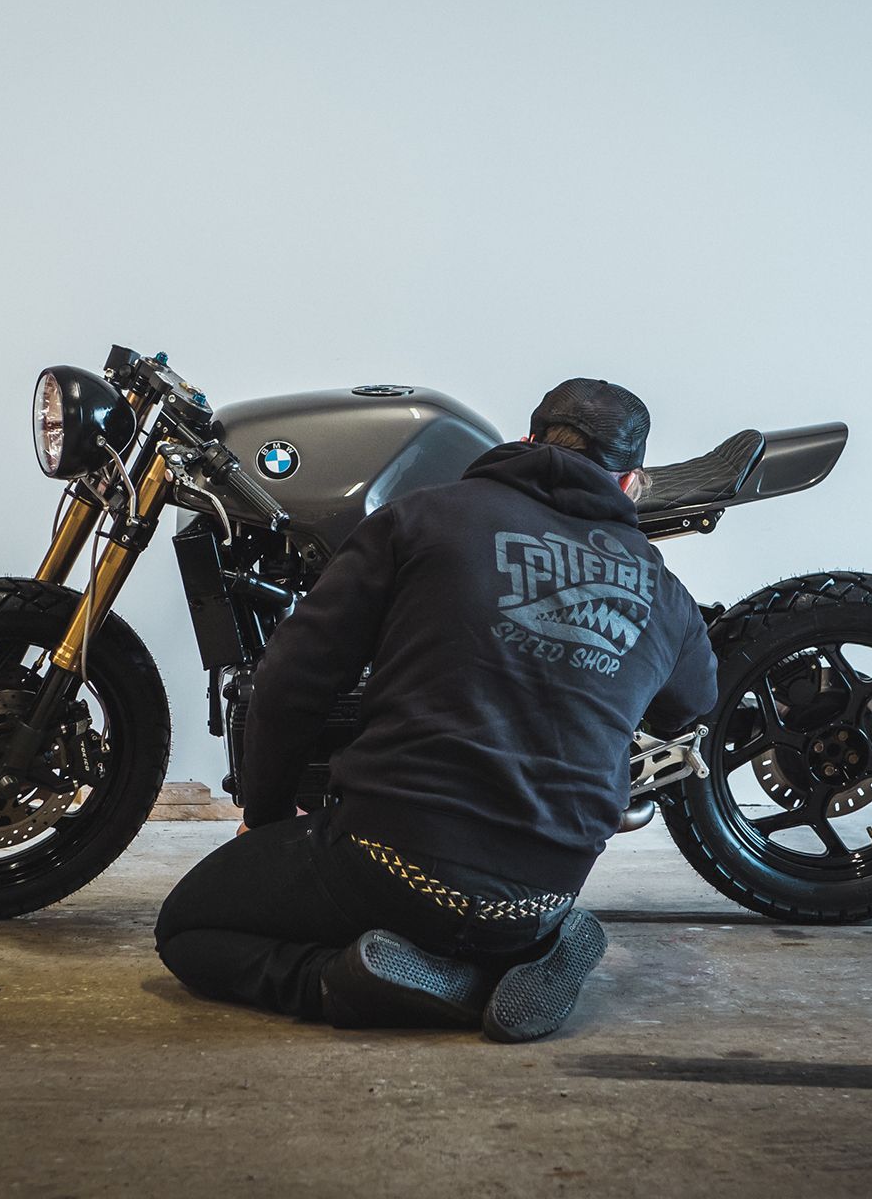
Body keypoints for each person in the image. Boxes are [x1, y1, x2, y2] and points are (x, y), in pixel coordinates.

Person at [154, 378, 718, 1041]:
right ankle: (527, 950)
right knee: (509, 909)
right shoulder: (666, 594)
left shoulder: (421, 517)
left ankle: (353, 979)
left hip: (388, 866)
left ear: (526, 441)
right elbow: (692, 707)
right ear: (629, 483)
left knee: (186, 927)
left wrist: (267, 816)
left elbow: (291, 678)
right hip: (542, 895)